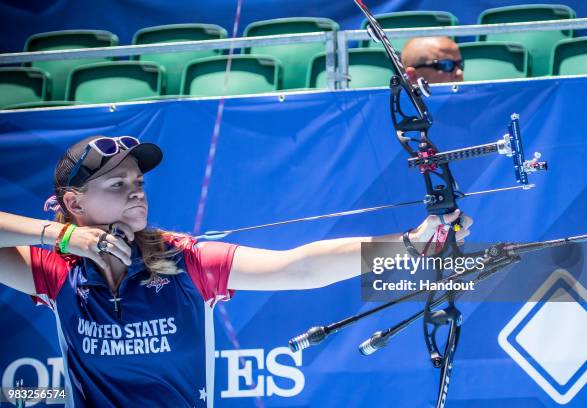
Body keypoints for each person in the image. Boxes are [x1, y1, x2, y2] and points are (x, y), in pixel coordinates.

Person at [0, 135, 473, 407]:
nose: (136, 192)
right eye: (117, 183)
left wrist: (409, 244)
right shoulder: (53, 271)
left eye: (139, 182)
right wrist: (58, 237)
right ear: (74, 203)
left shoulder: (181, 259)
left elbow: (300, 267)